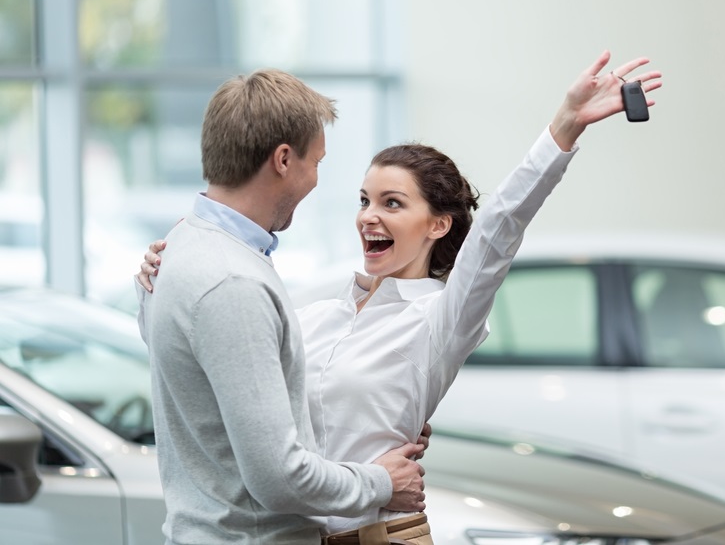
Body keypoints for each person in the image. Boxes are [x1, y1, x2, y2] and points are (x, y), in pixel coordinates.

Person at [137, 51, 662, 545]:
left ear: (437, 224)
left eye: (392, 203)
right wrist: (156, 282)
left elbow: (501, 224)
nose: (369, 216)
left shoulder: (439, 318)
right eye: (365, 200)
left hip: (380, 534)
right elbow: (221, 364)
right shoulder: (316, 310)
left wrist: (563, 128)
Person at [135, 68, 426, 545]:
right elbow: (279, 478)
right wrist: (381, 482)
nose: (316, 180)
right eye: (317, 162)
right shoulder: (232, 281)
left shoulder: (180, 246)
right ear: (284, 159)